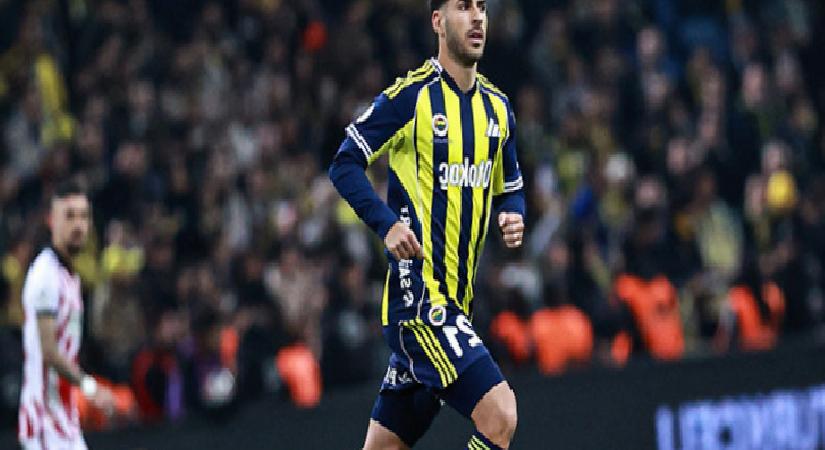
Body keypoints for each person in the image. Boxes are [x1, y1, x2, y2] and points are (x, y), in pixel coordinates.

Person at [329, 1, 525, 448]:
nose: (477, 17)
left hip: (458, 304)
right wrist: (386, 225)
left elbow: (511, 186)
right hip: (420, 303)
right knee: (500, 415)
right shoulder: (410, 98)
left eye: (482, 7)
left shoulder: (498, 109)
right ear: (438, 21)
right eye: (463, 6)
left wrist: (514, 213)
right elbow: (345, 163)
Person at [18, 180, 114, 450]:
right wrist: (91, 388)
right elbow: (49, 351)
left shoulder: (69, 276)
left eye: (83, 216)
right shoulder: (45, 275)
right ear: (52, 220)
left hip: (64, 417)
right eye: (69, 216)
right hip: (43, 420)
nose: (78, 225)